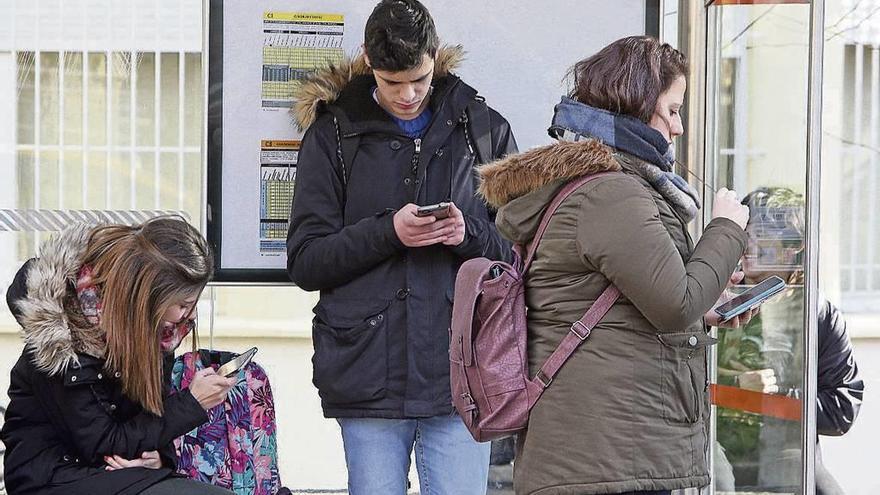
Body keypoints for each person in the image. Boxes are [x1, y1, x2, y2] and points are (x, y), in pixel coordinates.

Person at [476, 36, 753, 495]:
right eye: (673, 109)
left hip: (604, 448)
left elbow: (636, 300)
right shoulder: (611, 193)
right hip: (609, 453)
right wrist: (725, 228)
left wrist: (712, 305)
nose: (679, 128)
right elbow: (675, 304)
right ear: (638, 104)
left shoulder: (601, 186)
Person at [285, 0, 517, 493]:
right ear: (369, 61)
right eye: (392, 83)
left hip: (461, 375)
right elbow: (306, 262)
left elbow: (521, 259)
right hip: (369, 374)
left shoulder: (485, 129)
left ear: (435, 56)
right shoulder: (331, 134)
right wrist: (389, 232)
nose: (408, 95)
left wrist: (466, 234)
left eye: (419, 79)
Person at [2, 218, 236, 495]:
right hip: (52, 476)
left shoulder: (151, 329)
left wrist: (157, 457)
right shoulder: (63, 340)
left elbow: (148, 418)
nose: (191, 314)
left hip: (114, 473)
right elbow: (102, 442)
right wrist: (191, 404)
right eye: (184, 304)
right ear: (146, 298)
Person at [715, 187, 864, 495]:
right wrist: (739, 386)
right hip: (718, 451)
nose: (746, 244)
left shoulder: (816, 313)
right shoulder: (716, 300)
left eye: (757, 234)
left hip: (785, 455)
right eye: (743, 232)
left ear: (791, 248)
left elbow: (842, 410)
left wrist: (781, 392)